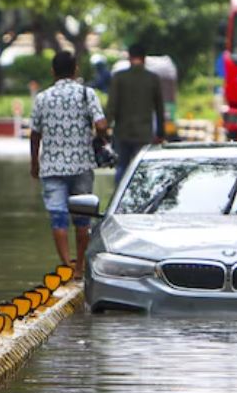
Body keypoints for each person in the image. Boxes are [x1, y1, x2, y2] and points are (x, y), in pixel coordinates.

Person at [27, 50, 108, 279]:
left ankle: (66, 264)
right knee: (82, 218)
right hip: (81, 165)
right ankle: (80, 267)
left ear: (53, 71)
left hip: (51, 168)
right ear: (76, 70)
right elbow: (101, 125)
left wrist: (34, 164)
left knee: (57, 215)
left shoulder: (43, 98)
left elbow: (34, 134)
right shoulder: (86, 94)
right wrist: (100, 134)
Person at [107, 44, 166, 184]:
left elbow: (112, 106)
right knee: (141, 169)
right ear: (144, 58)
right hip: (144, 133)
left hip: (122, 132)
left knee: (122, 167)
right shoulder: (153, 79)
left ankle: (119, 199)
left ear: (129, 57)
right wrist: (160, 133)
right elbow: (159, 108)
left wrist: (105, 128)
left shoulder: (119, 77)